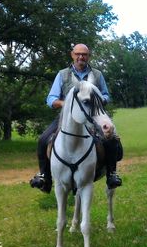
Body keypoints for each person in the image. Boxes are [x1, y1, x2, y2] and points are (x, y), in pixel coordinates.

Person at [29, 43, 123, 193]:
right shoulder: (62, 74)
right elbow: (51, 98)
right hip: (66, 118)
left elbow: (106, 95)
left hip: (92, 115)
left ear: (88, 56)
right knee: (42, 140)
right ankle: (44, 177)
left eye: (84, 54)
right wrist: (66, 104)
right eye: (78, 54)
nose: (81, 57)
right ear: (72, 55)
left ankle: (111, 174)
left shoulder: (97, 74)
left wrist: (99, 100)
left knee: (111, 139)